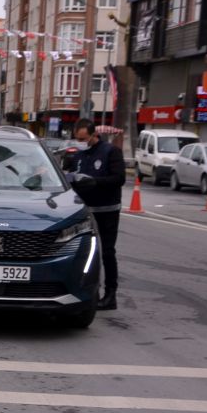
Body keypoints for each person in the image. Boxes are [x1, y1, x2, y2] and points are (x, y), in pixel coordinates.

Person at [70, 118, 125, 310]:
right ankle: (87, 292)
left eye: (84, 139)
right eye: (78, 139)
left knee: (107, 252)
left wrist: (95, 182)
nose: (81, 143)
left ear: (94, 135)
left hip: (107, 210)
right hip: (85, 212)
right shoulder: (78, 155)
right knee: (85, 253)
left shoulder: (111, 152)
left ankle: (111, 295)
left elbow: (119, 178)